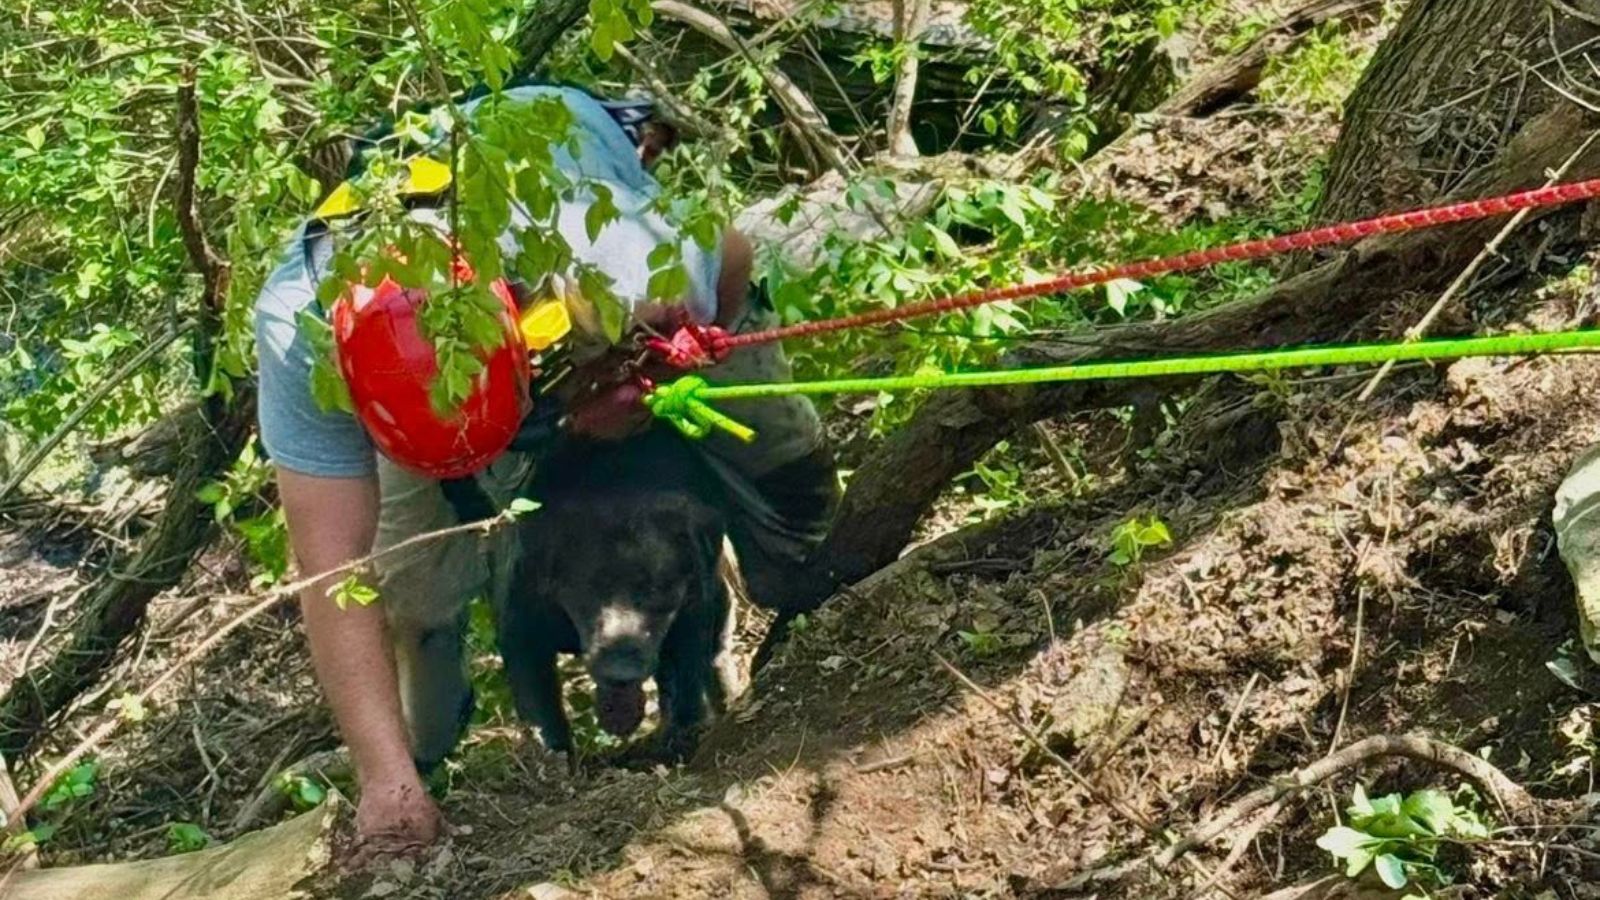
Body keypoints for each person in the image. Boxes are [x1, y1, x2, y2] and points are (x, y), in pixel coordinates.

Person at [253, 83, 839, 856]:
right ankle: (422, 751)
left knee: (786, 467)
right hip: (491, 365)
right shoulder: (301, 337)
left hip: (584, 281)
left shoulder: (620, 265)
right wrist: (383, 780)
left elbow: (731, 254)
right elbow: (333, 571)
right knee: (414, 590)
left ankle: (821, 611)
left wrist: (670, 365)